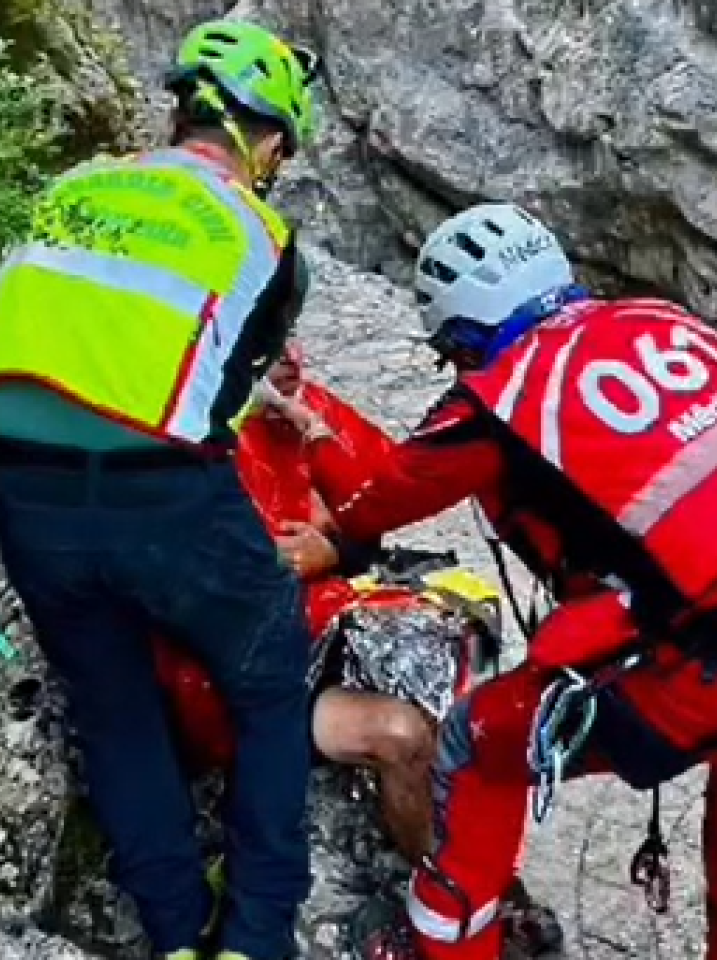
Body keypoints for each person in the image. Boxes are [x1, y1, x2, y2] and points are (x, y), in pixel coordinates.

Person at [305, 203, 717, 960]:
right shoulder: (659, 320)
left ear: (463, 334)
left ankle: (452, 947)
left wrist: (330, 529)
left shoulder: (494, 401)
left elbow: (388, 495)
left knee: (473, 746)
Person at [0, 18, 322, 960]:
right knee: (272, 683)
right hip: (164, 502)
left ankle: (173, 930)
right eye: (283, 141)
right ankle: (256, 933)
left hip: (25, 496)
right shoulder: (262, 232)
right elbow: (222, 398)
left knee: (111, 706)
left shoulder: (70, 187)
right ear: (264, 135)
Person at [156, 343, 564, 953]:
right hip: (227, 677)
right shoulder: (187, 443)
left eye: (288, 335)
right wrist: (316, 549)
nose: (290, 356)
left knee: (458, 656)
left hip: (315, 628)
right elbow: (208, 576)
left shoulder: (290, 408)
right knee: (402, 735)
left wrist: (320, 471)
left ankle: (472, 882)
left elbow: (378, 500)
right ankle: (458, 901)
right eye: (268, 342)